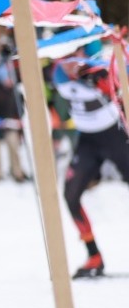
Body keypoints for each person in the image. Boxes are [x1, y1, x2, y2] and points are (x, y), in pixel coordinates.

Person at [52, 49, 126, 279]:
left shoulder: (101, 67)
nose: (69, 66)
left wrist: (106, 84)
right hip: (87, 140)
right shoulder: (59, 75)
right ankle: (93, 254)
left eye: (74, 59)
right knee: (70, 195)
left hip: (115, 135)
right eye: (64, 60)